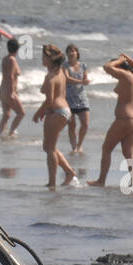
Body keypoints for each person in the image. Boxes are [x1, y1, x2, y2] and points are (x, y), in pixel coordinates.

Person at [87, 53, 133, 190]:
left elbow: (106, 67)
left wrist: (120, 60)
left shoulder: (125, 76)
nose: (112, 75)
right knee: (128, 153)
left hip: (124, 119)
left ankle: (101, 180)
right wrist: (127, 57)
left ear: (120, 68)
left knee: (106, 148)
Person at [31, 44, 78, 189]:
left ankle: (52, 182)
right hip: (63, 111)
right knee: (49, 147)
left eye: (44, 56)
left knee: (50, 148)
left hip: (57, 111)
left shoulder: (51, 76)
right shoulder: (60, 72)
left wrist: (39, 112)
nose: (42, 58)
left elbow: (50, 100)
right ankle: (69, 172)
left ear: (50, 60)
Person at [63, 44, 90, 154]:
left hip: (81, 98)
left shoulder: (83, 65)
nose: (71, 53)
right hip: (69, 99)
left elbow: (85, 79)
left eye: (73, 51)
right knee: (72, 125)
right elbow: (67, 78)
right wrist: (81, 82)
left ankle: (79, 145)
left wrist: (86, 81)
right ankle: (74, 146)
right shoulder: (64, 65)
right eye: (69, 51)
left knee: (85, 124)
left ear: (77, 53)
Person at [0, 37, 23, 139]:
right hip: (8, 91)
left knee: (6, 115)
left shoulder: (5, 58)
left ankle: (1, 135)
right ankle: (11, 133)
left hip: (2, 90)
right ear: (17, 49)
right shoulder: (12, 60)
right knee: (21, 113)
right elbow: (11, 76)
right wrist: (12, 92)